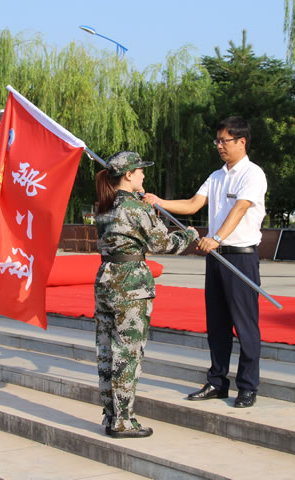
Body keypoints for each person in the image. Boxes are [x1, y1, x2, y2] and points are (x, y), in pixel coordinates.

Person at [143, 116, 267, 408]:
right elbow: (192, 204)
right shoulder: (217, 176)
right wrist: (158, 201)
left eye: (225, 141)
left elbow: (240, 208)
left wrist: (218, 237)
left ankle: (248, 386)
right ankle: (217, 381)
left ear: (241, 142)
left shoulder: (253, 174)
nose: (220, 146)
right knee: (217, 324)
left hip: (240, 258)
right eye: (218, 141)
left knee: (245, 325)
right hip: (216, 260)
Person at [94, 151, 198, 438]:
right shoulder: (135, 208)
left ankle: (110, 415)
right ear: (128, 175)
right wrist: (188, 236)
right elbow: (162, 244)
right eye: (139, 171)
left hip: (106, 279)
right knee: (128, 353)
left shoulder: (103, 206)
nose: (143, 175)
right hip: (130, 284)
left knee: (106, 352)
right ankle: (124, 421)